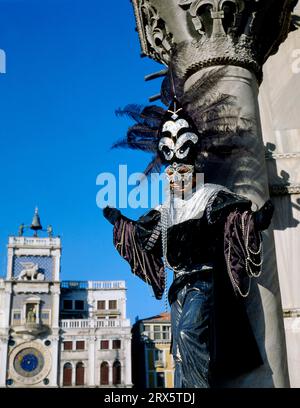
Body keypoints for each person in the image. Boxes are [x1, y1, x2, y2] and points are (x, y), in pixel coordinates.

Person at [103, 99, 274, 387]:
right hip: (178, 287)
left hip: (205, 281)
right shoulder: (164, 209)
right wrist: (121, 222)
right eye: (171, 167)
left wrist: (255, 221)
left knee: (188, 334)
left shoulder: (211, 196)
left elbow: (233, 222)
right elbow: (147, 239)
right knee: (180, 351)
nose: (176, 172)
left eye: (182, 164)